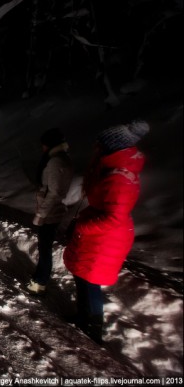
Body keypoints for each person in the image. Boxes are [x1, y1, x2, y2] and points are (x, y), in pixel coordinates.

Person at [63, 120, 149, 345]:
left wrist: (82, 226)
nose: (95, 148)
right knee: (82, 276)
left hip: (105, 239)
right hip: (96, 234)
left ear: (111, 147)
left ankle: (94, 327)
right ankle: (82, 317)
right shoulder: (110, 169)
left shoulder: (119, 177)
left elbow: (113, 217)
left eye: (99, 145)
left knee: (91, 281)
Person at [26, 128, 73, 295]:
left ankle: (39, 283)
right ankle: (39, 278)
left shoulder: (56, 162)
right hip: (52, 210)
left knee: (45, 248)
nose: (42, 148)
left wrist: (41, 214)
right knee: (44, 247)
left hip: (51, 213)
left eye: (44, 145)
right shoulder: (60, 159)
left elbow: (54, 192)